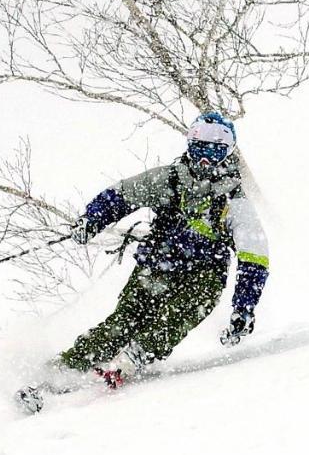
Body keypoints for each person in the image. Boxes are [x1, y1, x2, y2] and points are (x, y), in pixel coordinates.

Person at [56, 111, 270, 388]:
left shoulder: (234, 202)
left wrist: (243, 307)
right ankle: (67, 367)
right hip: (156, 266)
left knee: (180, 312)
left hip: (202, 275)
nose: (205, 161)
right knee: (123, 322)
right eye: (200, 149)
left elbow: (254, 257)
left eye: (214, 153)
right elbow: (121, 195)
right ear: (189, 147)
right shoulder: (168, 180)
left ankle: (136, 354)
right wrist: (92, 219)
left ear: (226, 154)